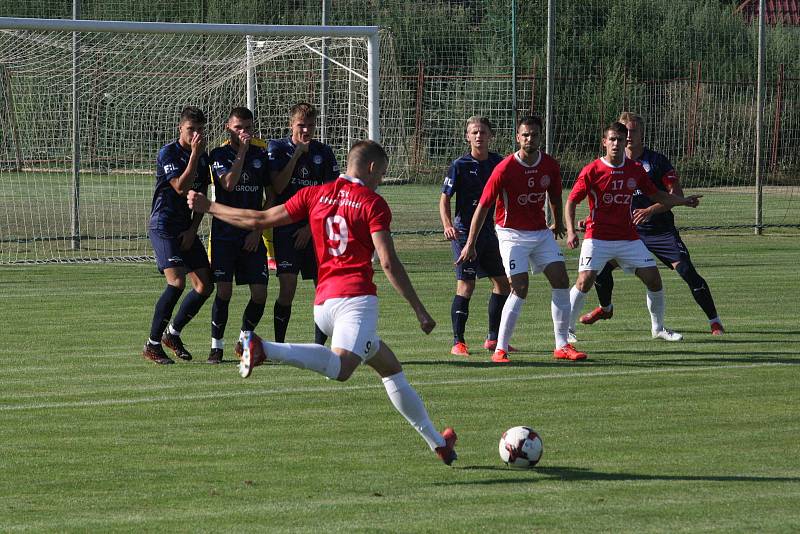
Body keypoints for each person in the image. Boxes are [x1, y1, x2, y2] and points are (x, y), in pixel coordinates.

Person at [188, 140, 458, 465]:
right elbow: (387, 262)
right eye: (382, 174)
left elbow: (258, 220)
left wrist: (210, 207)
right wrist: (419, 310)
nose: (381, 181)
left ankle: (437, 443)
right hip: (355, 301)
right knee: (342, 369)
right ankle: (262, 348)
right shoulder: (372, 202)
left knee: (390, 369)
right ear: (371, 168)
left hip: (323, 302)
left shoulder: (315, 194)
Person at [578, 112, 724, 335]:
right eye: (624, 132)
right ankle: (605, 309)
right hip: (627, 233)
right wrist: (587, 221)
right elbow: (607, 201)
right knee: (600, 271)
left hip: (660, 231)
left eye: (633, 131)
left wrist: (651, 210)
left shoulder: (656, 161)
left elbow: (673, 194)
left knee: (686, 271)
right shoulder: (609, 164)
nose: (628, 137)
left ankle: (714, 321)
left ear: (641, 134)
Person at [456, 116, 587, 363]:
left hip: (539, 232)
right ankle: (500, 349)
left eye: (534, 134)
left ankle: (562, 345)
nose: (529, 139)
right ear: (518, 138)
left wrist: (558, 222)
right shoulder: (505, 168)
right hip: (511, 234)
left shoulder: (549, 165)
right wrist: (470, 242)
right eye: (525, 135)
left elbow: (556, 196)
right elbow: (483, 207)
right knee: (520, 287)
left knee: (561, 279)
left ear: (540, 137)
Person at [143, 106, 214, 364]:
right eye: (190, 129)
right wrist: (195, 154)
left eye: (199, 130)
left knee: (205, 285)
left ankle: (172, 334)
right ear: (180, 129)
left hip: (186, 228)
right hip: (164, 226)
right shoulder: (169, 152)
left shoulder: (203, 158)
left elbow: (200, 197)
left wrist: (193, 229)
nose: (195, 134)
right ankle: (152, 344)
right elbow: (181, 187)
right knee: (176, 283)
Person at [267, 102, 339, 345]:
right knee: (287, 288)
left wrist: (310, 228)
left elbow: (332, 196)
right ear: (291, 125)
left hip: (316, 229)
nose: (306, 131)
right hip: (286, 229)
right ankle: (278, 344)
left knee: (324, 290)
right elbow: (277, 187)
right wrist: (296, 155)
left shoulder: (324, 152)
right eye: (301, 126)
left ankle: (319, 346)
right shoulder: (277, 148)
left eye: (310, 126)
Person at [440, 116, 511, 356]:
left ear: (491, 136)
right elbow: (444, 198)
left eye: (483, 132)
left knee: (502, 284)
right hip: (464, 233)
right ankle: (458, 342)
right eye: (474, 132)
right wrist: (448, 224)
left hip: (490, 232)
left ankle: (493, 338)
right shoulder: (459, 165)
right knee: (466, 285)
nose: (479, 136)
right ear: (467, 137)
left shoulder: (498, 162)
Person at [206, 107, 270, 364]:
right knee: (224, 291)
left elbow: (272, 195)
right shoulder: (218, 155)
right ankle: (216, 347)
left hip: (252, 235)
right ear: (228, 128)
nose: (244, 132)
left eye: (248, 128)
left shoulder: (261, 156)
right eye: (238, 128)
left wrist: (258, 230)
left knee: (260, 294)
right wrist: (242, 152)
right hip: (224, 235)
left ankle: (244, 339)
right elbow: (229, 184)